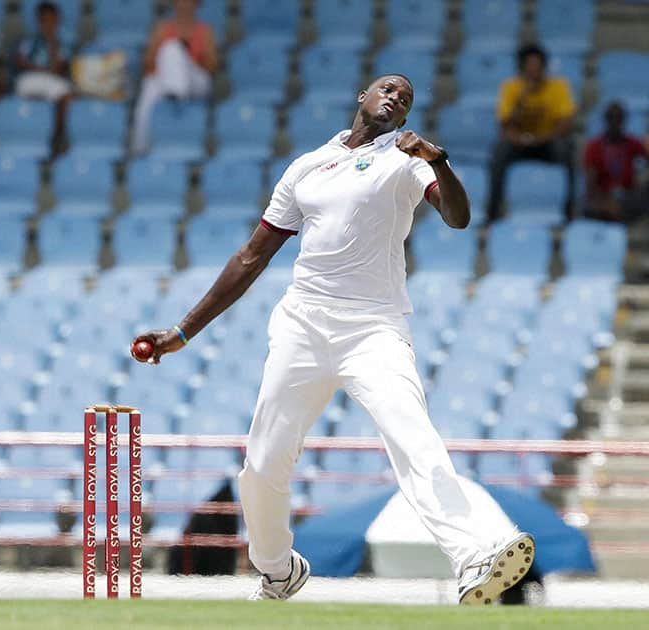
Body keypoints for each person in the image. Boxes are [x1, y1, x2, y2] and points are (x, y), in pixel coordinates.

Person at [131, 74, 536, 604]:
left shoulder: (409, 159)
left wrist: (438, 161)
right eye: (388, 89)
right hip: (303, 323)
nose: (396, 98)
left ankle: (474, 554)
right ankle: (277, 569)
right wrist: (182, 331)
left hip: (375, 328)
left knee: (413, 437)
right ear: (362, 97)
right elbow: (252, 257)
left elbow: (458, 219)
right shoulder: (306, 166)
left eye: (407, 99)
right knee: (261, 466)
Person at [488, 43, 577, 222]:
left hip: (547, 141)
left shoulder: (558, 86)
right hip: (520, 143)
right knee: (500, 151)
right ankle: (494, 209)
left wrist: (542, 138)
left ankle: (568, 208)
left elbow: (565, 123)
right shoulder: (511, 88)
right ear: (521, 68)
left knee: (565, 150)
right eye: (529, 67)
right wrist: (522, 100)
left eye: (538, 67)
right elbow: (505, 124)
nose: (534, 72)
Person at [130, 0, 219, 155]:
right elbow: (148, 63)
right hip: (165, 78)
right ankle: (140, 147)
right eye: (180, 2)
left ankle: (176, 93)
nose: (184, 5)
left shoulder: (205, 31)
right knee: (169, 51)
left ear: (196, 4)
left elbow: (212, 66)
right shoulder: (162, 29)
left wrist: (188, 53)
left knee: (174, 50)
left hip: (194, 77)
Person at [15, 1, 73, 154]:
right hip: (31, 78)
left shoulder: (64, 41)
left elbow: (57, 69)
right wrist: (40, 69)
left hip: (52, 80)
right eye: (43, 20)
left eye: (51, 20)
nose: (47, 24)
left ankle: (55, 136)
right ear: (38, 21)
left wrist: (51, 41)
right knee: (25, 89)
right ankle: (31, 137)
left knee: (66, 95)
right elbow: (20, 62)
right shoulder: (29, 40)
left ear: (57, 20)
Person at [583, 101, 649, 222]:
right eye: (611, 118)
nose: (615, 122)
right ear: (605, 120)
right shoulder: (594, 146)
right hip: (603, 197)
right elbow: (590, 185)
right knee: (595, 208)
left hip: (628, 197)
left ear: (624, 121)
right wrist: (603, 201)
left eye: (619, 118)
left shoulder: (632, 143)